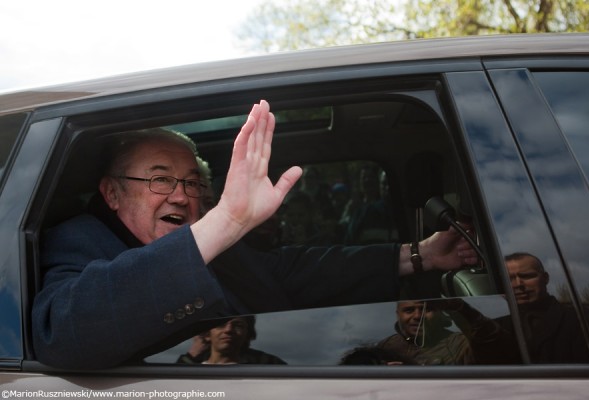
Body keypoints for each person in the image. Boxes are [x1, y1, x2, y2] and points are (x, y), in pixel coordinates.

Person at [32, 100, 478, 369]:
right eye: (160, 179)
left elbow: (286, 272)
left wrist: (420, 256)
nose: (182, 197)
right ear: (111, 193)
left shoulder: (211, 245)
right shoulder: (79, 240)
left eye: (192, 183)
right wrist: (225, 219)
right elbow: (65, 333)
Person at [499, 252, 589, 363]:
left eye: (527, 276)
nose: (518, 284)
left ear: (545, 278)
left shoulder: (585, 319)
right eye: (509, 279)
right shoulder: (494, 328)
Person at [376, 299, 505, 365]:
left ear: (440, 313)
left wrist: (461, 308)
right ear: (398, 315)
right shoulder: (387, 346)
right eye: (409, 310)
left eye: (426, 310)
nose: (417, 316)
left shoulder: (459, 343)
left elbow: (491, 340)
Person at [176, 316, 286, 365]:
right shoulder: (190, 370)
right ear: (207, 334)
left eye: (238, 325)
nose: (228, 330)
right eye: (220, 325)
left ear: (247, 334)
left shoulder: (269, 367)